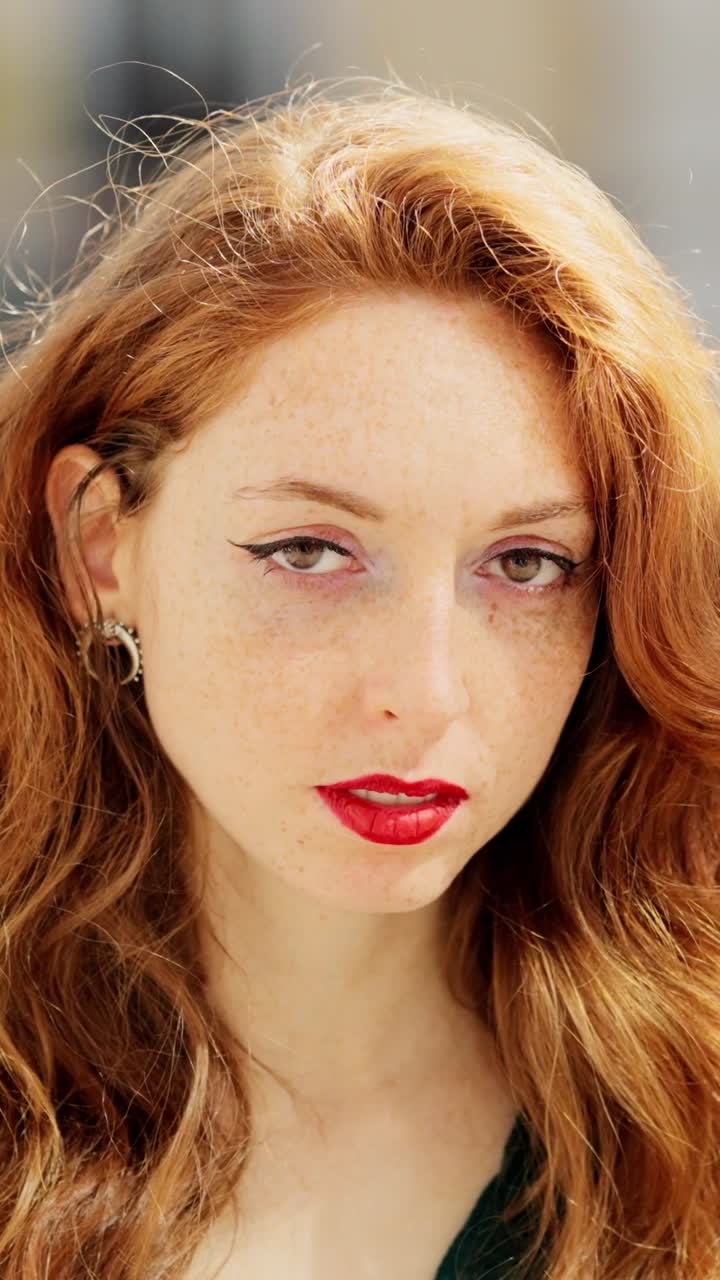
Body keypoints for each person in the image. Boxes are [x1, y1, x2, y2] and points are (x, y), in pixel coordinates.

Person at [0, 77, 718, 1280]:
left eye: (526, 564)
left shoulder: (685, 1128)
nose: (426, 693)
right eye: (307, 551)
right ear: (101, 546)